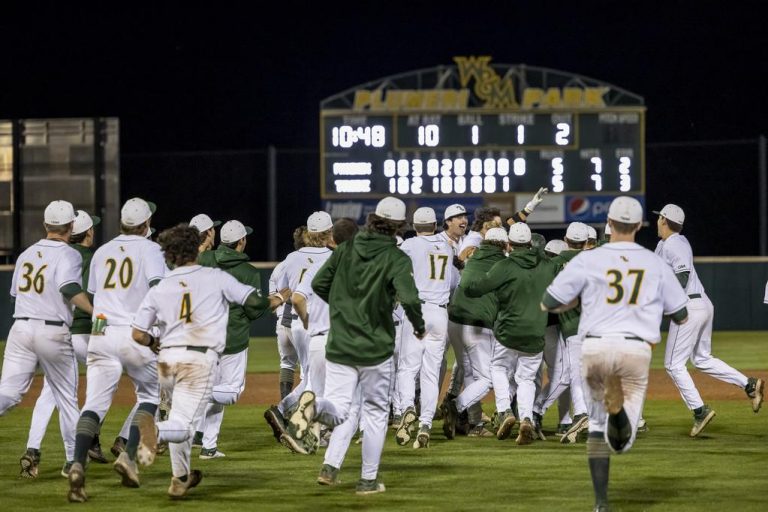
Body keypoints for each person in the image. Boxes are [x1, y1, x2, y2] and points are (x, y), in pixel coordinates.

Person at [542, 196, 690, 511]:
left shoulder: (587, 259)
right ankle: (618, 413)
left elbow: (550, 298)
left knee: (597, 430)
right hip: (635, 349)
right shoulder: (654, 261)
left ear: (609, 224)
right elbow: (680, 314)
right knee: (622, 442)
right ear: (638, 225)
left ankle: (601, 504)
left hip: (594, 344)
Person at [280, 196, 425, 495]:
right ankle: (368, 480)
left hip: (340, 342)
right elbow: (410, 298)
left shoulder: (345, 249)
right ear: (399, 226)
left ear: (372, 219)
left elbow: (319, 284)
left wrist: (344, 306)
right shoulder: (397, 258)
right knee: (373, 415)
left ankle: (314, 410)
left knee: (341, 408)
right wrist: (419, 326)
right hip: (374, 347)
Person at [130, 224, 280, 498]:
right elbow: (254, 304)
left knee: (180, 418)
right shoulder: (214, 277)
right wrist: (277, 298)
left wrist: (153, 343)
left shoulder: (161, 287)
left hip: (166, 361)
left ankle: (180, 478)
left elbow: (138, 334)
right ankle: (155, 430)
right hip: (198, 360)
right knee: (182, 426)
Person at [67, 197, 166, 502]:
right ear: (146, 224)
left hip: (101, 332)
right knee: (150, 396)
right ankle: (129, 457)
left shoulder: (102, 251)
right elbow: (159, 290)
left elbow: (95, 297)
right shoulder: (151, 249)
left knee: (93, 404)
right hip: (134, 332)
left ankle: (77, 464)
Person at [0, 200, 93, 479]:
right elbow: (69, 288)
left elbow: (15, 294)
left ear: (45, 225)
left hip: (20, 329)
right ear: (71, 226)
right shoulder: (69, 254)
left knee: (8, 392)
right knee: (66, 399)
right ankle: (72, 462)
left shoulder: (27, 253)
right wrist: (95, 310)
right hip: (52, 331)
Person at [654, 204, 763, 436]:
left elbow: (681, 277)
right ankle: (749, 384)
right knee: (702, 358)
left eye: (659, 218)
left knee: (673, 364)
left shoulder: (675, 243)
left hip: (690, 307)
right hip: (701, 304)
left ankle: (700, 411)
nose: (657, 222)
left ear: (664, 220)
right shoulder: (667, 244)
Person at [453, 222, 557, 445]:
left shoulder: (505, 266)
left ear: (510, 244)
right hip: (536, 332)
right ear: (529, 243)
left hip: (508, 330)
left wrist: (468, 268)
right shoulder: (547, 266)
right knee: (527, 378)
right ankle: (526, 417)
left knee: (498, 368)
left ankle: (504, 411)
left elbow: (474, 288)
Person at [19, 211, 105, 478]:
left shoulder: (53, 255)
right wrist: (102, 334)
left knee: (49, 394)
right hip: (87, 334)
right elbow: (99, 302)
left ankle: (33, 448)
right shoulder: (94, 258)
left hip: (60, 332)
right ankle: (85, 446)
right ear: (87, 232)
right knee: (104, 384)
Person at [195, 220, 273, 459]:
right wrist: (275, 300)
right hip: (234, 338)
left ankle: (208, 446)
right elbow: (254, 310)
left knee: (217, 392)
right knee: (232, 391)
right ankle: (194, 394)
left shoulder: (204, 260)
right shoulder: (248, 272)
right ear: (241, 241)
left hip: (204, 337)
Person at [263, 213, 335, 445]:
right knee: (317, 377)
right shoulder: (333, 258)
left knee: (312, 376)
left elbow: (282, 291)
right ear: (328, 233)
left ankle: (286, 411)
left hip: (295, 322)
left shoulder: (291, 258)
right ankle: (301, 420)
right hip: (318, 322)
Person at [394, 207, 458, 448]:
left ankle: (407, 407)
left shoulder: (409, 245)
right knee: (431, 373)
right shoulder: (447, 247)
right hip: (440, 312)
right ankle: (425, 425)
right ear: (435, 224)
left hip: (417, 311)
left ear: (414, 225)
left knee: (408, 369)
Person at [446, 227, 508, 438]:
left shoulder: (472, 257)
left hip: (454, 321)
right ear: (504, 244)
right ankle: (455, 405)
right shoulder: (503, 263)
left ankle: (475, 424)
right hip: (476, 324)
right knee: (487, 379)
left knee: (471, 373)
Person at [533, 222, 591, 444]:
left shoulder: (554, 264)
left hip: (573, 327)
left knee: (572, 374)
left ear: (566, 240)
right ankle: (541, 412)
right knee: (576, 374)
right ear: (586, 243)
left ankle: (579, 414)